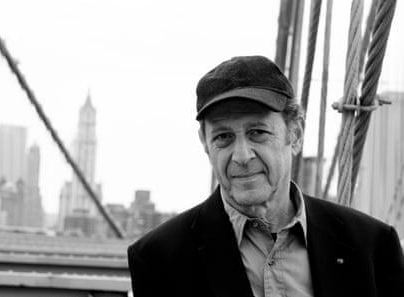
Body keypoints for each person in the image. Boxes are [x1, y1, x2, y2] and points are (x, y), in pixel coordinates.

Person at [127, 55, 404, 297]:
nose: (242, 156)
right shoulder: (159, 259)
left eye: (257, 132)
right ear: (205, 143)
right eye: (223, 137)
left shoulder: (372, 247)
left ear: (295, 133)